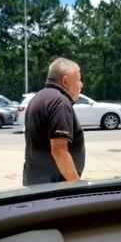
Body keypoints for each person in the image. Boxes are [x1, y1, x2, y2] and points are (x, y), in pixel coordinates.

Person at [23, 57, 85, 185]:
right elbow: (59, 151)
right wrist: (76, 185)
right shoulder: (60, 102)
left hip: (34, 180)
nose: (81, 84)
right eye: (79, 79)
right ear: (65, 81)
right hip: (53, 187)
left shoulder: (38, 97)